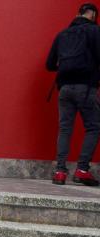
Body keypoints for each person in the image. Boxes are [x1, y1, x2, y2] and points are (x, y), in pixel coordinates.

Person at [47, 3, 100, 186]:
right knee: (94, 126)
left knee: (65, 129)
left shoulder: (62, 35)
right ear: (93, 17)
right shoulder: (95, 31)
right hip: (86, 87)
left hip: (65, 89)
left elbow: (49, 64)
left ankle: (60, 172)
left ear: (78, 14)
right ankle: (82, 170)